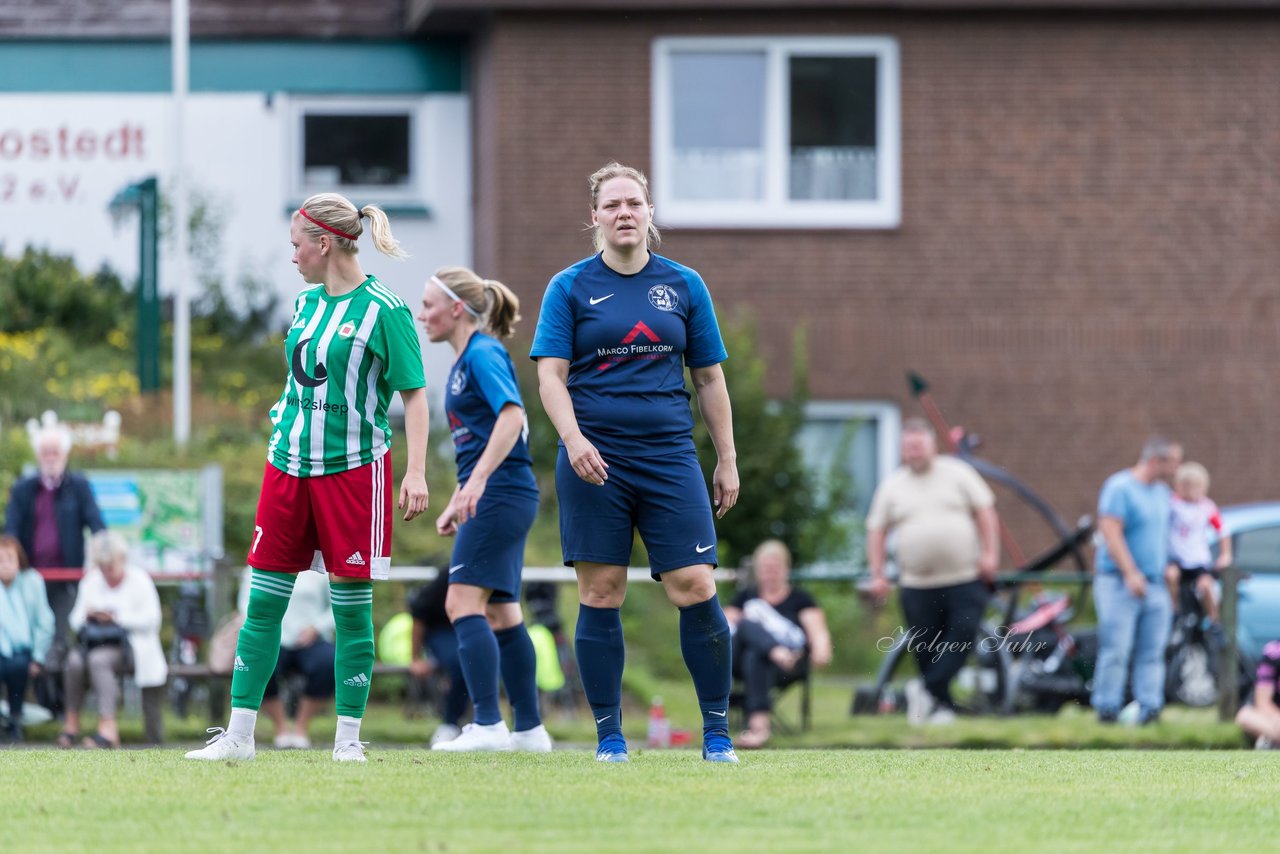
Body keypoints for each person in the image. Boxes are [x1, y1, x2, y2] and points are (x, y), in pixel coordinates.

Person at [185, 193, 430, 763]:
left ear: (324, 243)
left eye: (296, 243)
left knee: (350, 610)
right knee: (263, 604)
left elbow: (415, 396)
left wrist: (415, 472)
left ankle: (347, 741)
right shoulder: (304, 304)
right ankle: (239, 736)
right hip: (287, 467)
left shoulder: (385, 310)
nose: (291, 253)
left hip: (353, 474)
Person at [530, 162, 741, 763]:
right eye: (613, 204)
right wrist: (573, 441)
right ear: (594, 217)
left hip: (671, 456)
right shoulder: (569, 286)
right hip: (594, 457)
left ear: (650, 214)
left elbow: (708, 377)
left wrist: (725, 458)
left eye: (635, 203)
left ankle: (718, 735)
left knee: (695, 584)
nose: (625, 213)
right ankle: (610, 739)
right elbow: (550, 376)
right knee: (601, 591)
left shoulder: (684, 285)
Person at [417, 265, 549, 752]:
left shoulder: (483, 353)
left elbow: (512, 416)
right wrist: (460, 495)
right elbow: (480, 441)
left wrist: (475, 484)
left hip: (501, 494)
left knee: (460, 604)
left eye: (429, 304)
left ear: (456, 309)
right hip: (502, 493)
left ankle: (489, 725)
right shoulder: (465, 360)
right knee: (502, 611)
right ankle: (530, 731)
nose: (421, 314)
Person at [866, 418, 1000, 726]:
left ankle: (925, 691)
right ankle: (941, 707)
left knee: (963, 637)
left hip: (964, 578)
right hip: (916, 583)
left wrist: (990, 554)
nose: (914, 450)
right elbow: (876, 531)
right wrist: (878, 573)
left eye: (919, 443)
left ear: (932, 444)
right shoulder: (893, 485)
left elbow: (985, 512)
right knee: (926, 648)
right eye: (908, 445)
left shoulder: (959, 474)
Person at [4, 423, 107, 694]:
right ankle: (26, 705)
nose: (50, 457)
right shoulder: (24, 488)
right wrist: (10, 563)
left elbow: (96, 524)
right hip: (29, 579)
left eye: (55, 451)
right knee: (26, 640)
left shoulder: (79, 486)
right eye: (45, 451)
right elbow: (11, 530)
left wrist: (103, 557)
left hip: (66, 579)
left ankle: (56, 704)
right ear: (39, 455)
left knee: (59, 639)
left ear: (65, 455)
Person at [1090, 436, 1182, 725]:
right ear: (1156, 459)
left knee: (1153, 651)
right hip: (1119, 582)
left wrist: (1170, 567)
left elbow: (1164, 536)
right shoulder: (1120, 487)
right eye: (1173, 462)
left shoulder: (1163, 493)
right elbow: (1110, 530)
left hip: (1156, 584)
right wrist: (1130, 572)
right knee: (1116, 648)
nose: (1177, 468)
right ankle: (1107, 709)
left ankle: (1149, 708)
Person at [63, 530, 167, 748]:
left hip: (132, 647)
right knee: (73, 661)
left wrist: (117, 618)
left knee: (98, 660)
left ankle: (107, 726)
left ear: (122, 559)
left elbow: (152, 619)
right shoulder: (92, 580)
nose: (106, 572)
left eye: (110, 566)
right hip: (93, 643)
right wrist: (89, 617)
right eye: (102, 567)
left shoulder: (139, 580)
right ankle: (71, 722)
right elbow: (74, 619)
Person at [725, 540, 832, 749]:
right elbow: (724, 627)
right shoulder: (745, 597)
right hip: (756, 661)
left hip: (786, 668)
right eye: (766, 568)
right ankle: (777, 652)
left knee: (755, 656)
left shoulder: (801, 599)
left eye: (775, 568)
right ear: (758, 571)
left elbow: (818, 632)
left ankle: (758, 728)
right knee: (747, 624)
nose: (770, 573)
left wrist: (822, 650)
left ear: (786, 569)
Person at [235, 567, 335, 749]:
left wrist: (316, 628)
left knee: (328, 663)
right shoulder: (255, 567)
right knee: (259, 664)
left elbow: (336, 606)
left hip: (312, 639)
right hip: (273, 637)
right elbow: (246, 607)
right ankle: (280, 728)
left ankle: (301, 728)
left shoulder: (320, 569)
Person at [1163, 461, 1232, 628]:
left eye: (1196, 486)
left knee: (1207, 586)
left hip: (1197, 558)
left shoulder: (1206, 507)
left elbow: (1222, 531)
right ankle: (1174, 612)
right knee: (1170, 576)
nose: (1192, 491)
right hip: (1177, 558)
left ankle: (1214, 622)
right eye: (1187, 486)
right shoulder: (1172, 503)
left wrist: (1225, 555)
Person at [407, 570, 471, 747]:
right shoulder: (448, 577)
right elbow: (419, 615)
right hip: (441, 631)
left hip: (472, 626)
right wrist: (415, 658)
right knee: (462, 663)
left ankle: (495, 723)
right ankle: (450, 723)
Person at [0, 535, 55, 742]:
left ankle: (15, 721)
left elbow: (45, 623)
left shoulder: (32, 581)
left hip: (24, 651)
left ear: (18, 561)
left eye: (9, 559)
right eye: (0, 559)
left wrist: (38, 656)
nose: (4, 565)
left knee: (18, 667)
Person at [1237, 639, 1280, 749]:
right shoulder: (1273, 652)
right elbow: (1263, 701)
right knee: (1245, 716)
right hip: (1274, 715)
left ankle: (1272, 741)